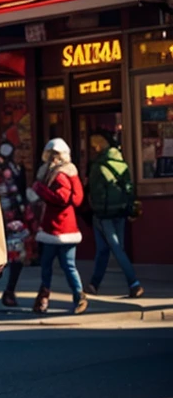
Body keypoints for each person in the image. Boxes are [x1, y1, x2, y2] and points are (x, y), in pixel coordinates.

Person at [32, 138, 87, 314]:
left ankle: (51, 297)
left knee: (56, 265)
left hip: (58, 226)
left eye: (54, 155)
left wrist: (40, 190)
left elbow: (63, 198)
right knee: (63, 265)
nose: (51, 159)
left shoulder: (60, 174)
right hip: (59, 226)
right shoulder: (64, 173)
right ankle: (75, 296)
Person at [85, 134, 143, 298]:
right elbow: (129, 187)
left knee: (116, 249)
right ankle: (94, 284)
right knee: (104, 249)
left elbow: (94, 193)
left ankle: (134, 283)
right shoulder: (121, 163)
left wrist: (94, 210)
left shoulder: (97, 167)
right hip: (120, 211)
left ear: (97, 147)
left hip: (103, 214)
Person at [0, 140, 31, 307]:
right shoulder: (7, 173)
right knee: (16, 258)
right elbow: (12, 197)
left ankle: (8, 289)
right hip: (11, 220)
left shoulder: (8, 171)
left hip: (4, 220)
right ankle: (9, 291)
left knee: (11, 257)